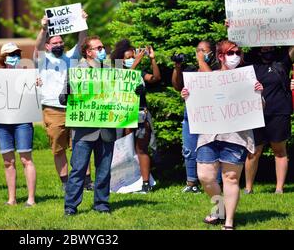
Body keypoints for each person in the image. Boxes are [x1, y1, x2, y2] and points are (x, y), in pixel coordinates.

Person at [181, 40, 263, 230]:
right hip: (209, 136)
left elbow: (258, 107)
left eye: (238, 52)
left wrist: (258, 93)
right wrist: (188, 95)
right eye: (231, 53)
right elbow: (197, 103)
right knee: (205, 177)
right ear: (220, 56)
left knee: (231, 178)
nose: (235, 56)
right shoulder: (207, 79)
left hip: (236, 137)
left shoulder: (246, 78)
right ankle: (219, 209)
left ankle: (228, 222)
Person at [34, 10, 93, 191]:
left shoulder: (71, 57)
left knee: (81, 144)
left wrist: (82, 22)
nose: (59, 44)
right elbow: (36, 47)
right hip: (53, 110)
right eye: (55, 42)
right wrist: (43, 29)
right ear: (48, 46)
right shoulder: (42, 59)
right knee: (58, 148)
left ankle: (87, 181)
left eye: (61, 42)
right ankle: (66, 182)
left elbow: (82, 41)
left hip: (74, 106)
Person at [59, 36, 116, 215]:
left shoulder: (112, 72)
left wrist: (134, 91)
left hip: (106, 129)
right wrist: (68, 92)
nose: (102, 50)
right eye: (98, 48)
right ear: (88, 52)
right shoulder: (76, 72)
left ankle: (102, 204)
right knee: (78, 170)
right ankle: (70, 206)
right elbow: (62, 99)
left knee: (104, 170)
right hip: (83, 132)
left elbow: (121, 99)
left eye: (103, 47)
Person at [110, 39, 161, 193]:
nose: (132, 59)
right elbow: (122, 81)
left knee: (141, 148)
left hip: (140, 113)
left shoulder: (139, 72)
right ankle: (124, 181)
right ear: (120, 60)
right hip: (124, 114)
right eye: (128, 57)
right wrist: (136, 62)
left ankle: (145, 183)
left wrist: (152, 59)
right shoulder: (116, 73)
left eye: (133, 56)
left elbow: (155, 78)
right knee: (125, 148)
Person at [243, 46, 293, 194]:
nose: (267, 47)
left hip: (279, 111)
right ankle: (248, 188)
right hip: (256, 112)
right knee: (253, 152)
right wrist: (232, 27)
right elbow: (232, 55)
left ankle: (279, 189)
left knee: (280, 151)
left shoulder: (283, 58)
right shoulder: (250, 59)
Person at [0, 42, 37, 207]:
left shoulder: (28, 74)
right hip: (3, 123)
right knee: (7, 161)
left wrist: (37, 84)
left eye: (17, 54)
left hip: (23, 121)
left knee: (26, 159)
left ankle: (31, 199)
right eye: (11, 55)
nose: (15, 57)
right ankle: (12, 199)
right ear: (3, 58)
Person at [172, 40, 218, 193]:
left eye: (203, 50)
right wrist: (177, 67)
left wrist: (200, 61)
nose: (200, 53)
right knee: (189, 149)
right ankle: (191, 183)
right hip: (191, 115)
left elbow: (211, 80)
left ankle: (216, 183)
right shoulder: (191, 70)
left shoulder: (216, 69)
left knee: (212, 148)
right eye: (198, 50)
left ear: (211, 53)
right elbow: (177, 85)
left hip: (211, 116)